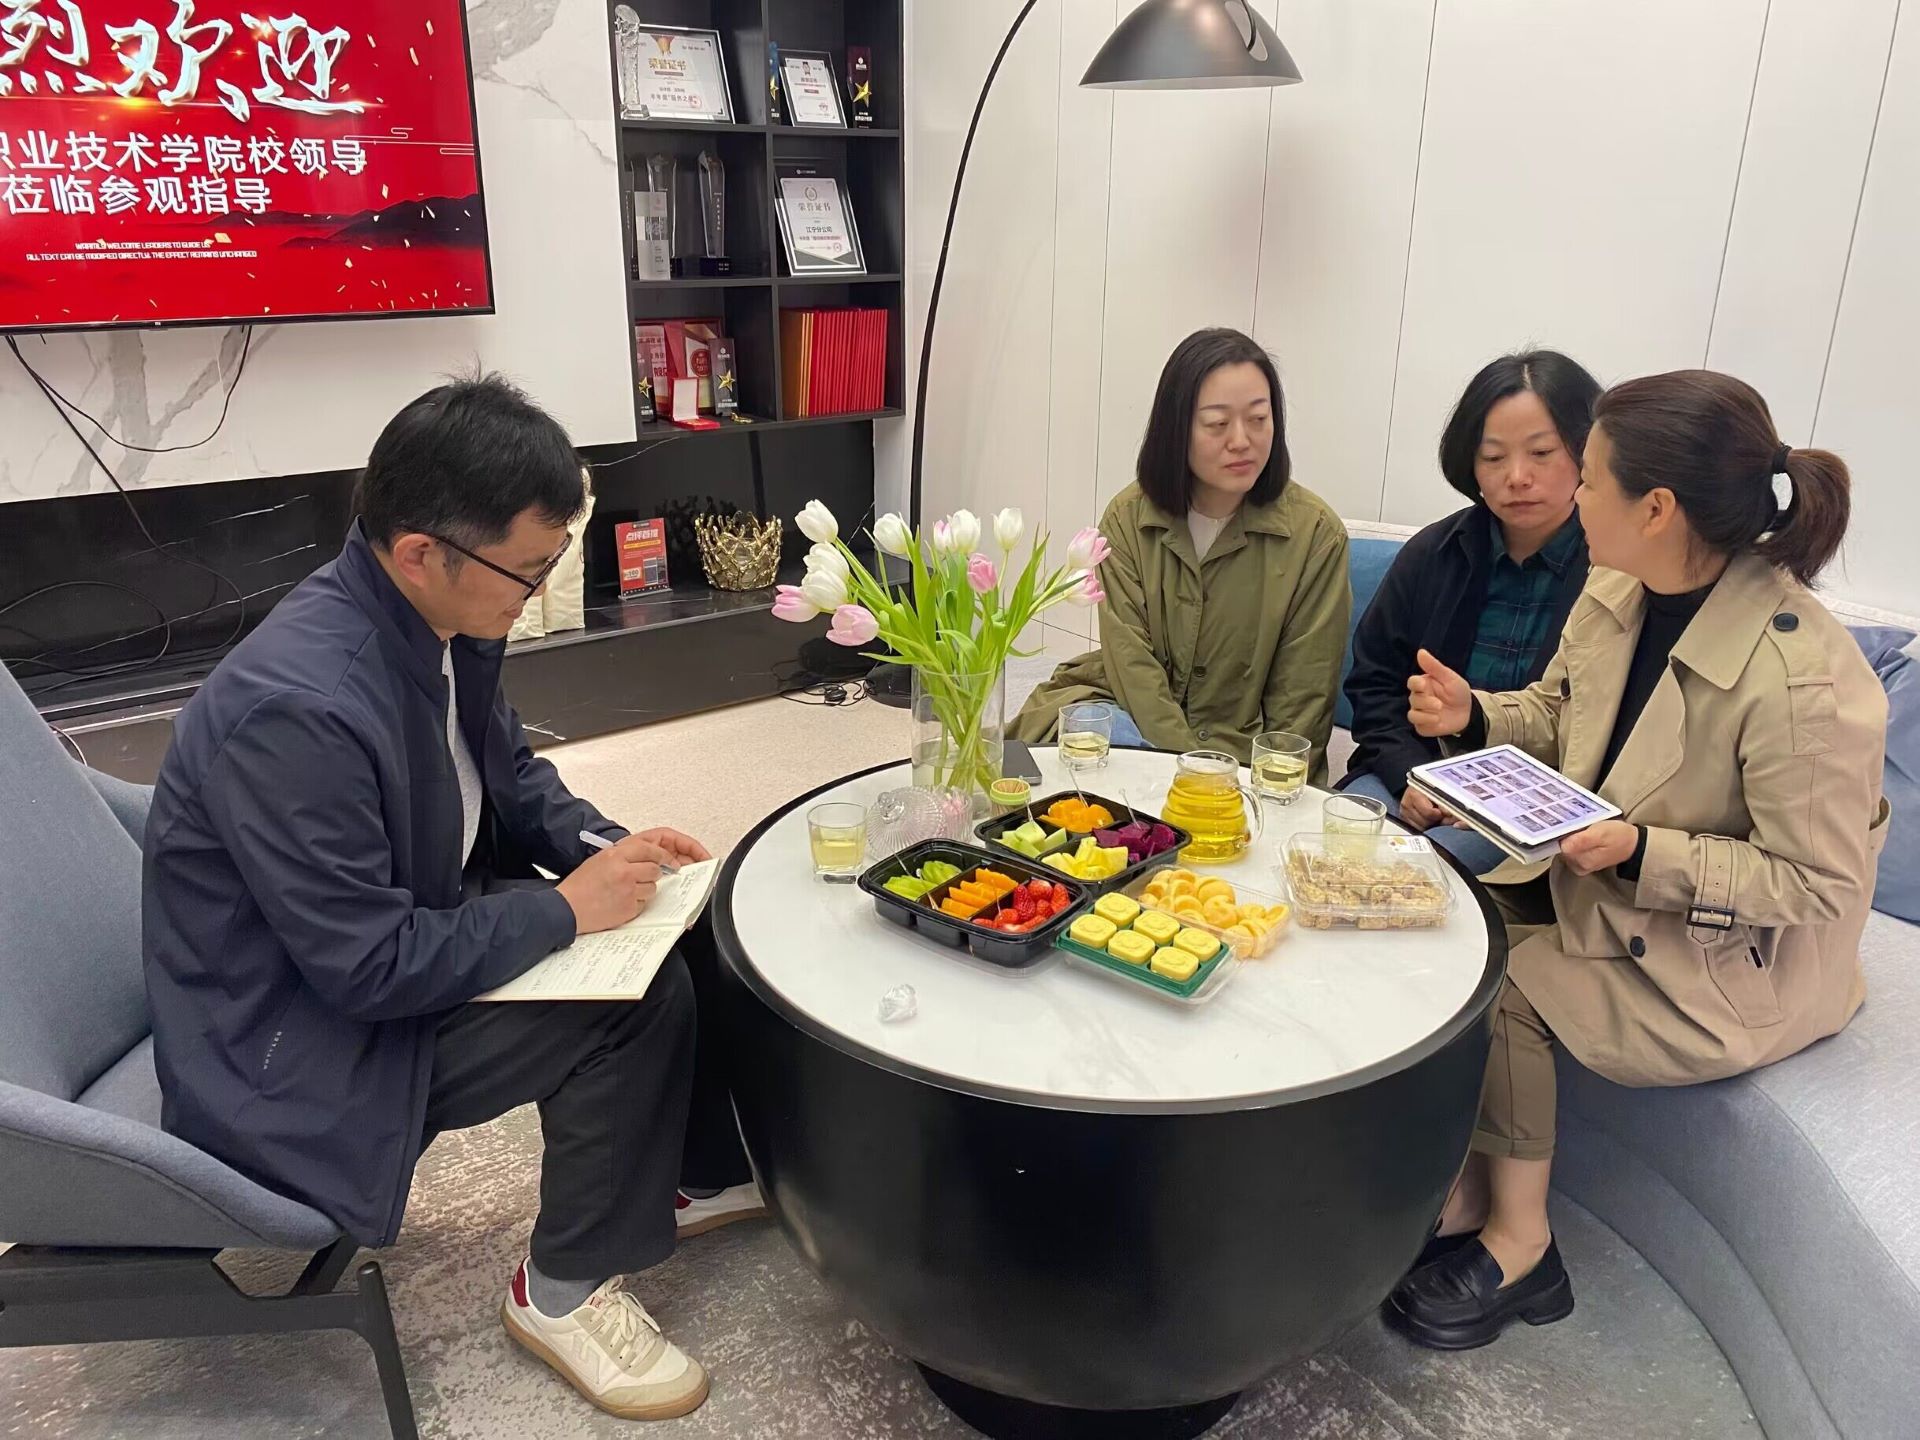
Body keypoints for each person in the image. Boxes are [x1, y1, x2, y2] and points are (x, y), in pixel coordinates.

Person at [143, 376, 763, 1422]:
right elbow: (367, 968)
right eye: (530, 570)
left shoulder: (441, 618)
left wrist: (606, 850)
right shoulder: (299, 709)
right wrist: (564, 912)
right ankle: (559, 1295)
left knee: (679, 924)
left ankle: (689, 1174)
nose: (539, 590)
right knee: (626, 1008)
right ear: (421, 551)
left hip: (400, 921)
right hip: (289, 1038)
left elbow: (505, 774)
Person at [1387, 370, 1891, 1349]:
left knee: (1504, 985)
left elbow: (1818, 885)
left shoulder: (1801, 679)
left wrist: (1643, 853)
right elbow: (1559, 711)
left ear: (1655, 509)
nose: (1569, 495)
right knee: (1441, 919)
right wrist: (1475, 718)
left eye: (1586, 476)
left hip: (1733, 965)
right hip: (1610, 886)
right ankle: (1465, 1193)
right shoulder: (1621, 586)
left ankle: (1523, 1247)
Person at [1011, 328, 1351, 777]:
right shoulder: (1129, 517)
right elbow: (1132, 666)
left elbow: (1302, 698)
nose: (1241, 440)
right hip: (1131, 715)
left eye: (1258, 418)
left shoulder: (1316, 535)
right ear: (1176, 429)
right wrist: (1188, 771)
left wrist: (1252, 785)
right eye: (1217, 424)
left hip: (1242, 751)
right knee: (1093, 755)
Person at [1342, 350, 1601, 874]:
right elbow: (1374, 684)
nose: (1517, 477)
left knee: (1424, 876)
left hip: (1542, 811)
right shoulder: (1434, 552)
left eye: (1541, 452)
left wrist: (1491, 800)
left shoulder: (1615, 571)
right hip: (1415, 775)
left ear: (1588, 453)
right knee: (1335, 843)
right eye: (1493, 457)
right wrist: (1410, 777)